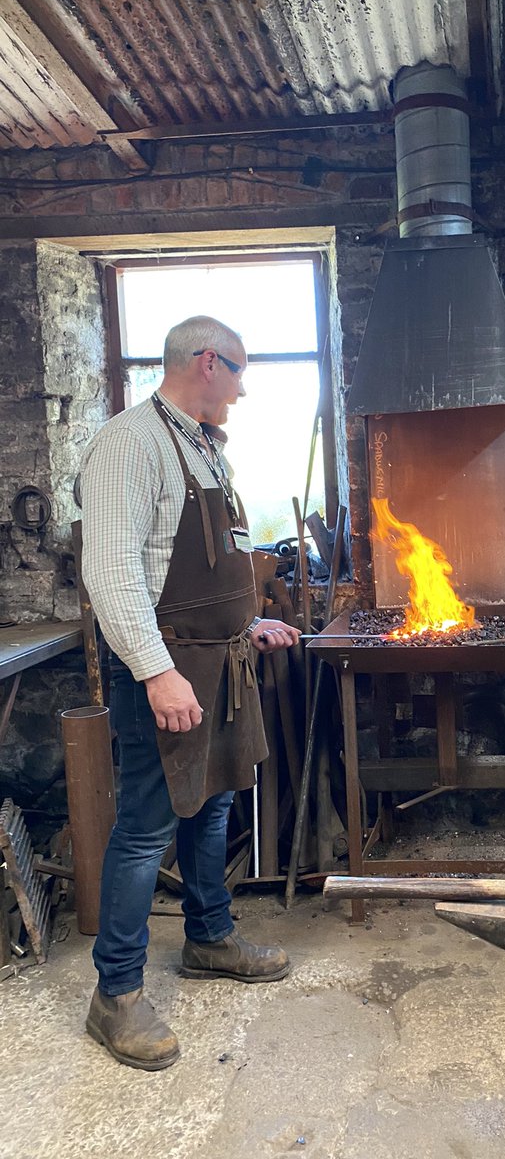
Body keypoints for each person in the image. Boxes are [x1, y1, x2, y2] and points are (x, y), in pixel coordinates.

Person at [79, 315, 300, 1071]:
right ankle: (115, 996)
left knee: (215, 805)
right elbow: (111, 574)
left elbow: (219, 558)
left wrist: (251, 621)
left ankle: (209, 938)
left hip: (221, 662)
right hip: (167, 670)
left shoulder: (203, 448)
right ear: (206, 362)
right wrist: (154, 670)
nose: (241, 388)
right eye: (237, 371)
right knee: (146, 828)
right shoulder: (129, 445)